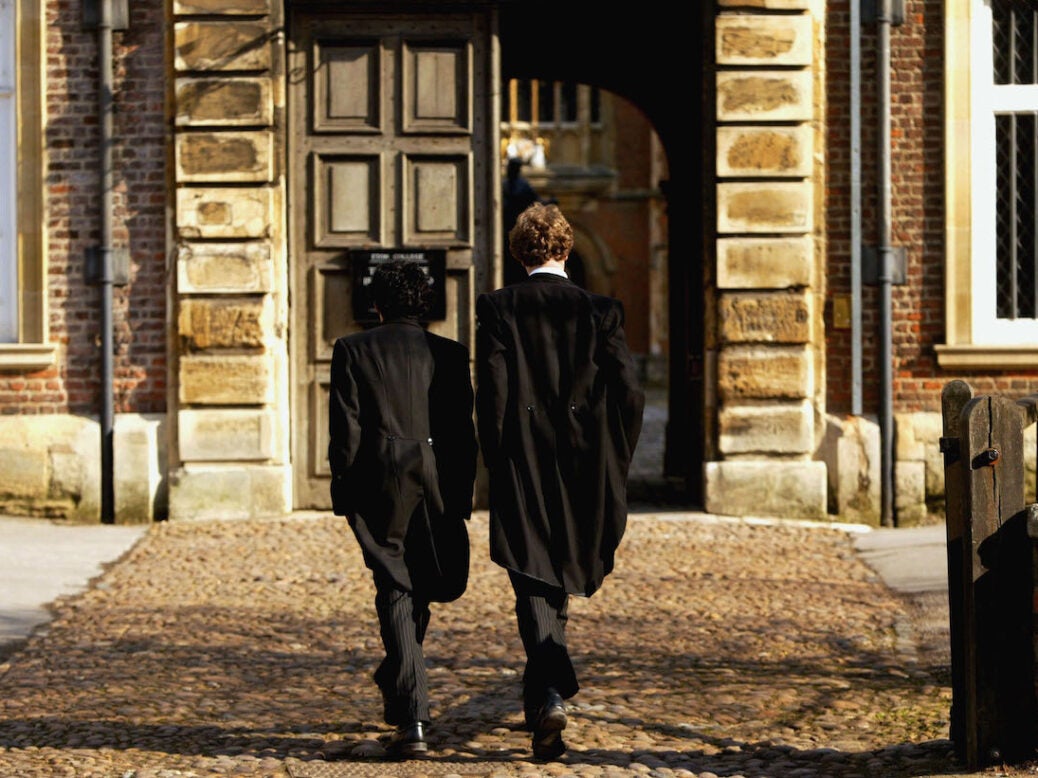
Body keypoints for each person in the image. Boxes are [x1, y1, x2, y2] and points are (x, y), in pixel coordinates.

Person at [475, 202, 645, 760]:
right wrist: (613, 453)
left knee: (532, 573)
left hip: (523, 455)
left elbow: (494, 392)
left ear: (520, 253)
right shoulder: (602, 310)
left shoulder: (498, 308)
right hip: (581, 459)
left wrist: (495, 458)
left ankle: (547, 689)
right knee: (549, 572)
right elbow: (630, 392)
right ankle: (546, 692)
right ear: (566, 250)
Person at [328, 259, 477, 759]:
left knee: (397, 587)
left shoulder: (352, 349)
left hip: (380, 481)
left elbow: (345, 432)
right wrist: (463, 494)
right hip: (439, 479)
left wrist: (342, 493)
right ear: (427, 304)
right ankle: (401, 681)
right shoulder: (452, 355)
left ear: (377, 303)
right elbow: (464, 433)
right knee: (412, 587)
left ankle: (410, 715)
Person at [502, 157, 545, 286]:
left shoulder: (523, 185)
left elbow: (535, 202)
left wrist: (548, 203)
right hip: (505, 229)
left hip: (520, 229)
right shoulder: (502, 185)